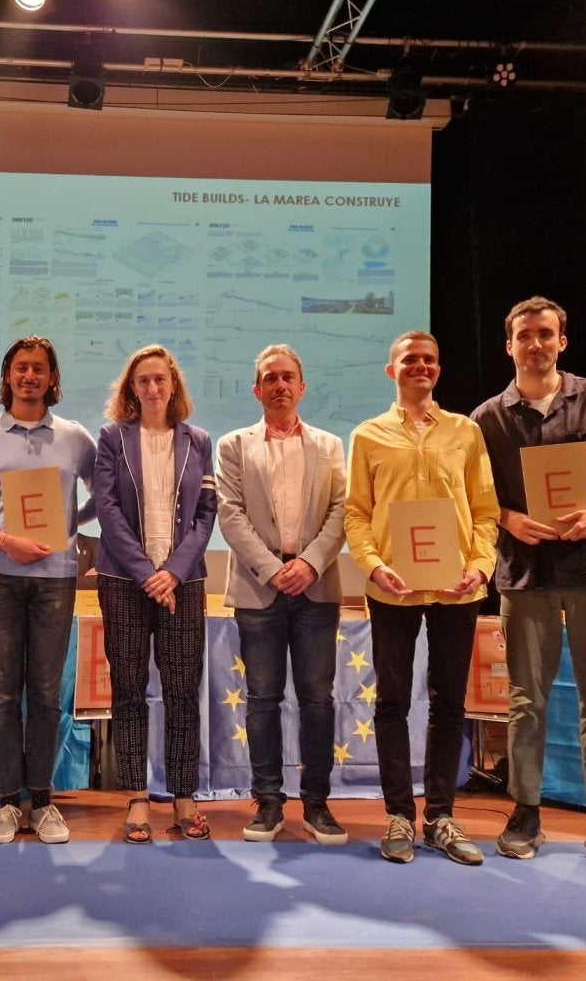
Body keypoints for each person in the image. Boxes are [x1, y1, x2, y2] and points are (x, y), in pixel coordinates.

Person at [471, 296, 586, 872]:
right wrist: (508, 519)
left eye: (545, 334)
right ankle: (526, 810)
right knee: (526, 701)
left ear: (561, 341)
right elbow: (476, 498)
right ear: (509, 345)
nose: (535, 344)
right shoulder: (486, 418)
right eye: (525, 335)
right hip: (528, 573)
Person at [344, 330, 499, 866]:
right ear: (392, 370)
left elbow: (485, 511)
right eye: (410, 359)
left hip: (458, 590)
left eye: (429, 360)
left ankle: (440, 817)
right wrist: (374, 565)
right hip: (393, 590)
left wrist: (479, 567)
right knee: (391, 703)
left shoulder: (466, 432)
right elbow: (356, 513)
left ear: (438, 369)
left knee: (449, 703)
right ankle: (398, 816)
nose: (421, 366)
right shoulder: (367, 435)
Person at [0, 336, 96, 844]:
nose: (29, 376)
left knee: (44, 693)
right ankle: (7, 803)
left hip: (55, 578)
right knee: (2, 695)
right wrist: (2, 540)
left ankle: (41, 800)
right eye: (21, 367)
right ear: (7, 375)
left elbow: (105, 495)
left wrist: (67, 526)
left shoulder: (75, 437)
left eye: (39, 368)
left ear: (52, 378)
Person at [216, 344, 348, 844]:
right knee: (262, 699)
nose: (280, 385)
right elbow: (230, 514)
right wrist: (274, 569)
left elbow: (342, 509)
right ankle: (268, 802)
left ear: (302, 386)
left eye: (288, 376)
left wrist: (310, 563)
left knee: (317, 700)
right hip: (259, 588)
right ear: (257, 390)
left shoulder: (330, 445)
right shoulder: (234, 445)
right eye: (270, 378)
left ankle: (317, 804)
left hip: (317, 586)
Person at [94, 345, 218, 843]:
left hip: (184, 584)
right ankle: (137, 798)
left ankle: (184, 797)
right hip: (124, 582)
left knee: (183, 691)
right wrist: (149, 574)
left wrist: (173, 573)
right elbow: (106, 510)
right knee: (129, 690)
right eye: (142, 380)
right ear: (131, 388)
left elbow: (207, 513)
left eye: (160, 379)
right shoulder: (112, 438)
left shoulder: (199, 440)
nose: (152, 388)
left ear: (173, 385)